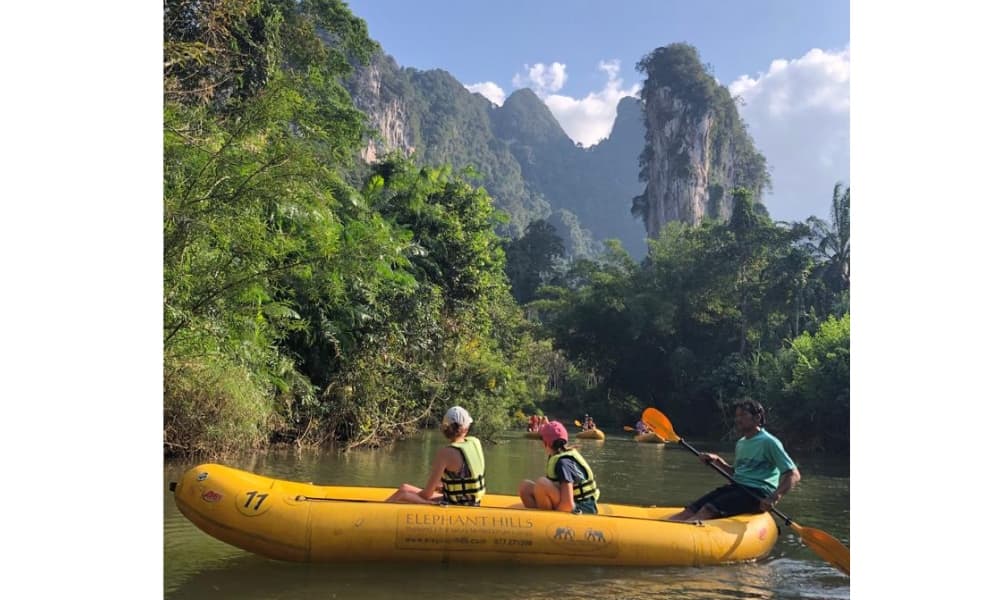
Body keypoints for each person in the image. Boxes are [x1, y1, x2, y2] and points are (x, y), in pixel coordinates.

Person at [668, 399, 800, 522]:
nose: (738, 419)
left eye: (743, 415)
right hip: (737, 488)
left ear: (757, 418)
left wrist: (774, 497)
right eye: (737, 416)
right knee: (691, 509)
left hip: (756, 493)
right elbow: (736, 474)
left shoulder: (769, 442)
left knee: (708, 510)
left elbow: (793, 474)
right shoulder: (741, 443)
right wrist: (717, 461)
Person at [386, 406, 486, 506]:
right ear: (466, 428)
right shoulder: (475, 442)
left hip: (455, 504)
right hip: (472, 501)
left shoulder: (445, 453)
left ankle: (378, 515)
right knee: (404, 487)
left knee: (402, 494)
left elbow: (426, 494)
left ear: (445, 428)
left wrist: (418, 499)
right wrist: (444, 487)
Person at [518, 421, 600, 514]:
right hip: (571, 503)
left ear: (546, 443)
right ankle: (536, 521)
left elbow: (568, 504)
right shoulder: (557, 457)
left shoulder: (563, 463)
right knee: (525, 487)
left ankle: (545, 521)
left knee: (542, 484)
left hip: (581, 508)